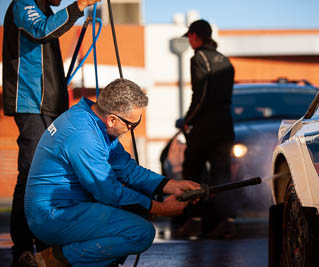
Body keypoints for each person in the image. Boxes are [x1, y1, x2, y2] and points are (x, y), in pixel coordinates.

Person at [24, 78, 199, 266]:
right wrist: (161, 208)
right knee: (141, 232)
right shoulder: (84, 136)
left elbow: (127, 169)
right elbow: (109, 193)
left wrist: (170, 185)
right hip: (52, 215)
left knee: (134, 214)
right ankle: (49, 261)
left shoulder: (94, 121)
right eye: (131, 125)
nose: (130, 130)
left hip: (67, 208)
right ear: (113, 119)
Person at [2, 0, 100, 265]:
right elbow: (41, 30)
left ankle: (46, 242)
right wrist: (78, 7)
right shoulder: (24, 4)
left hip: (51, 105)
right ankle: (23, 246)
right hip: (31, 103)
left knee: (52, 175)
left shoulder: (47, 10)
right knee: (31, 172)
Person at [175, 19, 236, 239]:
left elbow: (200, 95)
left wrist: (187, 120)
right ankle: (227, 223)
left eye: (190, 37)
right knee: (223, 174)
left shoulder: (199, 58)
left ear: (194, 36)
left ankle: (195, 221)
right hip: (225, 124)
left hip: (205, 126)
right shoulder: (225, 60)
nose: (189, 41)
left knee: (192, 172)